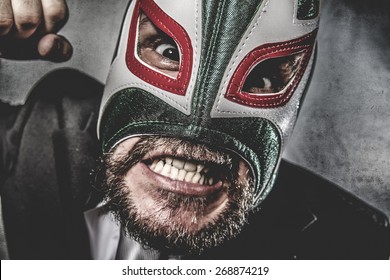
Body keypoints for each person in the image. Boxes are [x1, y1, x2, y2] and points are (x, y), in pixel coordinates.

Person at [0, 0, 389, 260]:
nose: (195, 129)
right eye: (169, 53)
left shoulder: (357, 248)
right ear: (122, 51)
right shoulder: (15, 143)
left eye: (264, 77)